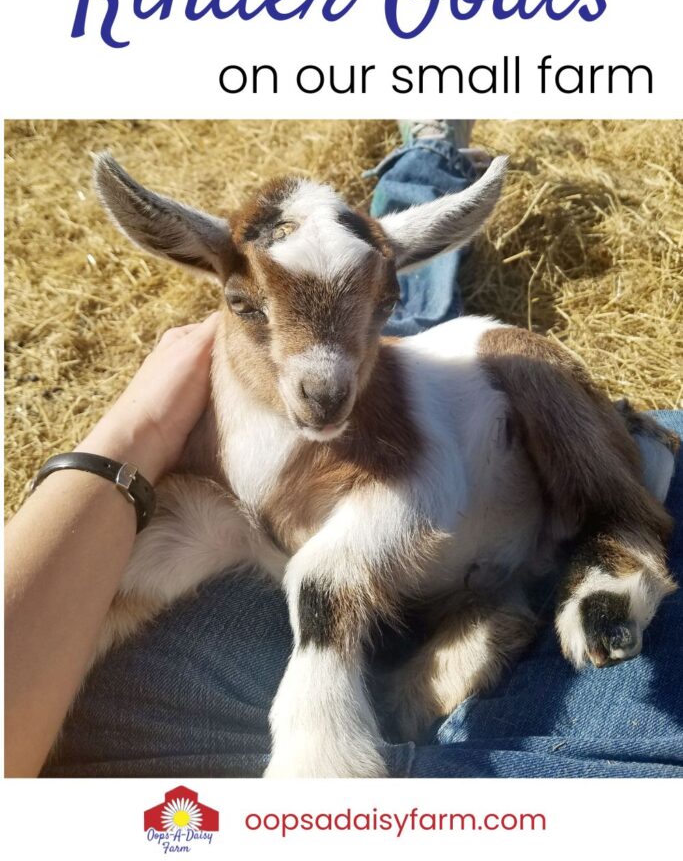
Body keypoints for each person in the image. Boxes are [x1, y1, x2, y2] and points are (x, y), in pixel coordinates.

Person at [5, 123, 682, 778]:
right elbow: (192, 539)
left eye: (375, 311)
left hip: (505, 478)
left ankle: (622, 536)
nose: (324, 383)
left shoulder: (408, 385)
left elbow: (425, 485)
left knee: (508, 350)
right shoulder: (222, 434)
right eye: (251, 307)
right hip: (456, 589)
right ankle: (506, 604)